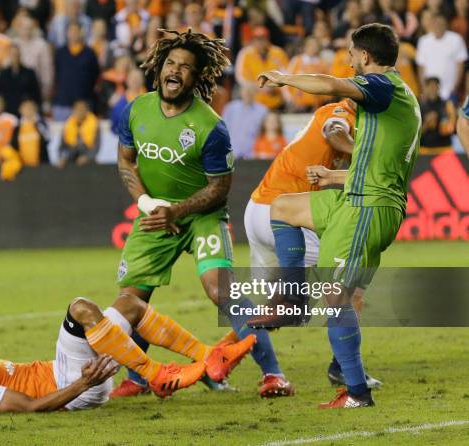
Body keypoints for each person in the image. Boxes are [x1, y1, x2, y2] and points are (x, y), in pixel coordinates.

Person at [113, 29, 292, 399]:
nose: (175, 71)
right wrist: (149, 205)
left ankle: (273, 374)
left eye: (185, 67)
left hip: (202, 214)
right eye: (170, 63)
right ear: (159, 68)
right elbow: (126, 163)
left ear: (196, 79)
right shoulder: (136, 110)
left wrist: (176, 210)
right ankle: (138, 376)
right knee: (131, 299)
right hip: (155, 213)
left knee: (219, 289)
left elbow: (219, 188)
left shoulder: (211, 127)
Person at [256, 23, 420, 408]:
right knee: (282, 207)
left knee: (336, 298)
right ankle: (293, 300)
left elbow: (331, 84)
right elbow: (380, 165)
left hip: (367, 209)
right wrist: (334, 176)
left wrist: (285, 78)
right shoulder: (399, 100)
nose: (348, 60)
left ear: (365, 56)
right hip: (358, 198)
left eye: (351, 53)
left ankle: (357, 393)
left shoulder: (382, 88)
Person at [0, 295, 255, 413]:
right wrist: (82, 385)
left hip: (75, 377)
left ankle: (210, 356)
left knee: (129, 304)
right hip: (72, 386)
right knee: (80, 308)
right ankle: (156, 374)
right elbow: (27, 407)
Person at [52, 22, 100, 121]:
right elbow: (56, 75)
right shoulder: (60, 53)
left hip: (84, 104)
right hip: (63, 103)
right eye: (71, 31)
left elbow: (95, 75)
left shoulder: (89, 53)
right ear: (66, 33)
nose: (73, 33)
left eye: (76, 31)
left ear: (81, 33)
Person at [235, 26, 288, 110]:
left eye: (262, 38)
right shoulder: (245, 53)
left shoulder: (278, 52)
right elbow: (241, 77)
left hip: (275, 98)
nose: (260, 42)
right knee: (243, 90)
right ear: (253, 40)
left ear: (268, 39)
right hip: (254, 99)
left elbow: (286, 74)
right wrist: (259, 87)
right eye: (257, 39)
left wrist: (273, 86)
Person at [416, 14, 467, 100]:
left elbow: (460, 65)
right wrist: (424, 88)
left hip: (450, 91)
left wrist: (455, 87)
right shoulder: (423, 41)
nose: (438, 26)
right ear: (432, 25)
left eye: (441, 24)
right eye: (436, 23)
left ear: (446, 25)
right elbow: (421, 67)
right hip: (430, 92)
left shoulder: (456, 39)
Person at [222, 84, 268, 159]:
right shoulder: (231, 108)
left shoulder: (262, 111)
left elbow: (266, 132)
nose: (248, 94)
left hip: (253, 155)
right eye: (246, 91)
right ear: (241, 92)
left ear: (256, 93)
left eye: (251, 92)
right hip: (232, 153)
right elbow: (222, 130)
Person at [0, 45, 41, 117]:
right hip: (8, 112)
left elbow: (36, 94)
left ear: (20, 55)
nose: (15, 57)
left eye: (16, 54)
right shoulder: (3, 74)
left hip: (25, 113)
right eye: (12, 54)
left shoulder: (29, 72)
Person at [58, 100, 100, 168]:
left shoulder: (94, 125)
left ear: (87, 111)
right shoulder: (68, 125)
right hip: (70, 160)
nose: (79, 112)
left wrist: (87, 157)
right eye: (77, 109)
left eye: (82, 109)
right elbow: (62, 147)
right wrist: (62, 158)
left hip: (88, 162)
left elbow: (96, 146)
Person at [419, 77, 456, 154]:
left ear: (439, 88)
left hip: (444, 148)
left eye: (435, 86)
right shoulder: (419, 105)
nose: (432, 89)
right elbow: (414, 133)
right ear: (425, 88)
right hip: (424, 149)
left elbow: (452, 126)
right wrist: (426, 125)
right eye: (430, 86)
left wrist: (447, 127)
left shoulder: (447, 104)